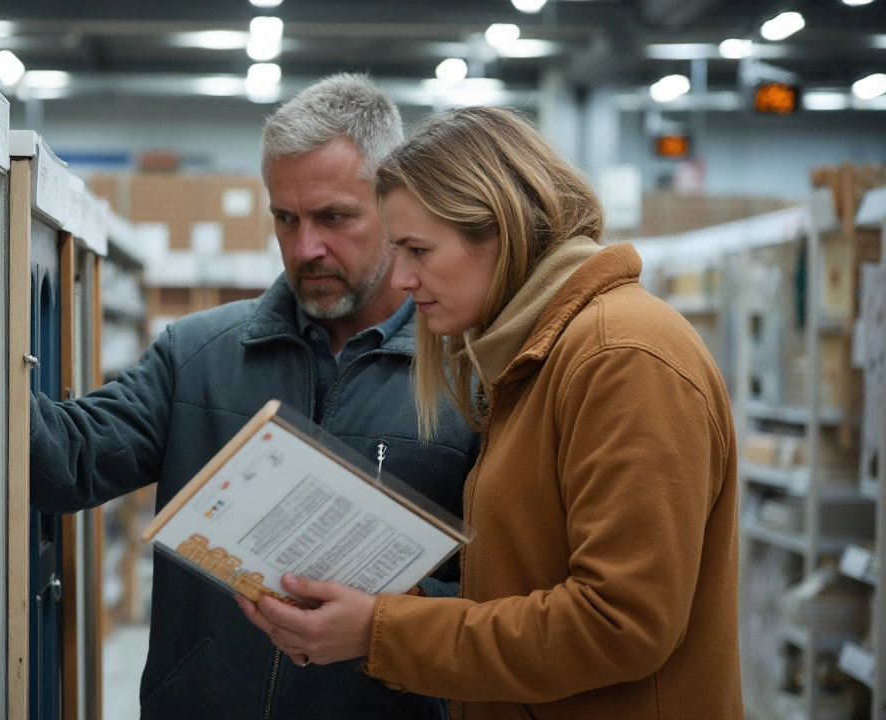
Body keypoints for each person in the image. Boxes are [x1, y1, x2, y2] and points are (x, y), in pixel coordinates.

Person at [238, 105, 744, 719]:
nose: (401, 277)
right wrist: (391, 603)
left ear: (498, 230)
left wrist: (384, 630)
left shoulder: (622, 356)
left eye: (419, 250)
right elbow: (524, 582)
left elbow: (620, 624)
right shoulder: (530, 358)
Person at [28, 74, 481, 719]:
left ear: (396, 208)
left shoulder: (470, 381)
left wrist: (389, 619)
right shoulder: (197, 353)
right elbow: (69, 462)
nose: (305, 249)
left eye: (334, 218)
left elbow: (504, 598)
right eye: (285, 218)